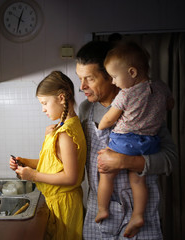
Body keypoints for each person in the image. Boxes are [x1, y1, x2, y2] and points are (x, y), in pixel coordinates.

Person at [76, 40, 177, 239]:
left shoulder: (146, 106)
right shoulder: (85, 110)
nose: (82, 86)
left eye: (89, 78)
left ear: (110, 76)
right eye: (80, 78)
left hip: (141, 213)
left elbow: (170, 160)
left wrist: (126, 162)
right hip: (101, 212)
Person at [9, 71, 87, 240]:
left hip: (64, 205)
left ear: (61, 98)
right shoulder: (64, 127)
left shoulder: (65, 134)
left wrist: (33, 175)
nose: (43, 109)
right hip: (60, 202)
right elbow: (54, 164)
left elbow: (70, 177)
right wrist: (25, 162)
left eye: (44, 103)